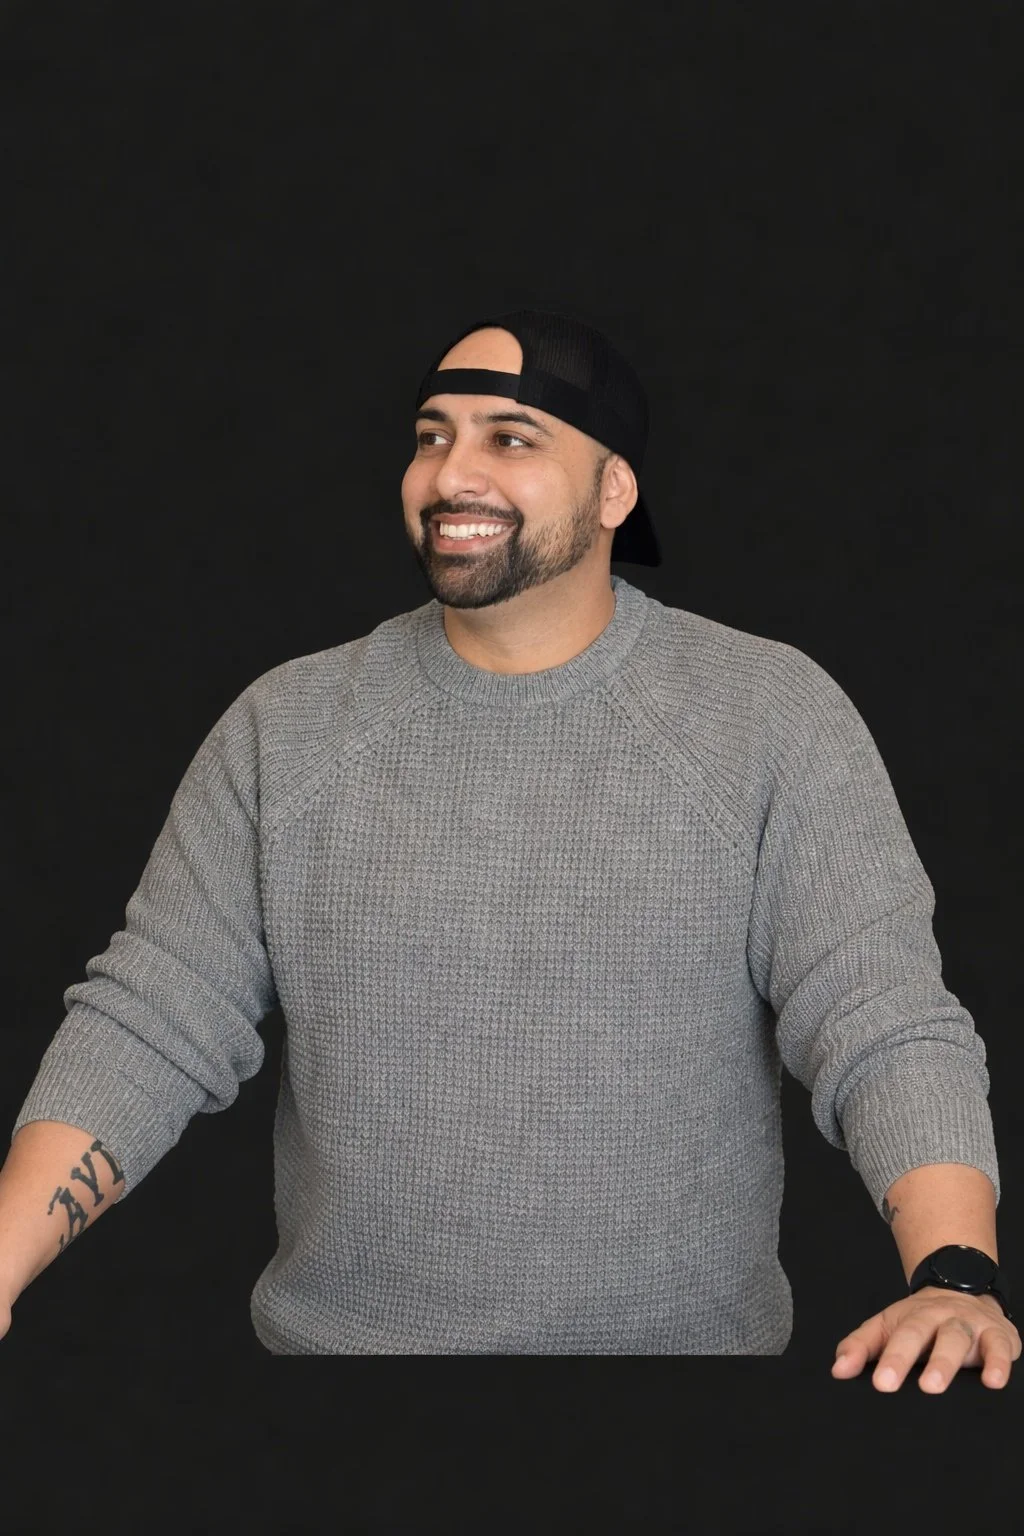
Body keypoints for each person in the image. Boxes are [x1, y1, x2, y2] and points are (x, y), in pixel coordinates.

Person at [1, 307, 1006, 1358]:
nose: (450, 474)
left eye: (510, 438)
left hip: (685, 1424)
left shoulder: (765, 715)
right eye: (432, 434)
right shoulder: (286, 729)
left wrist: (954, 1276)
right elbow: (152, 1021)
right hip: (342, 1413)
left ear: (615, 489)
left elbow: (880, 1022)